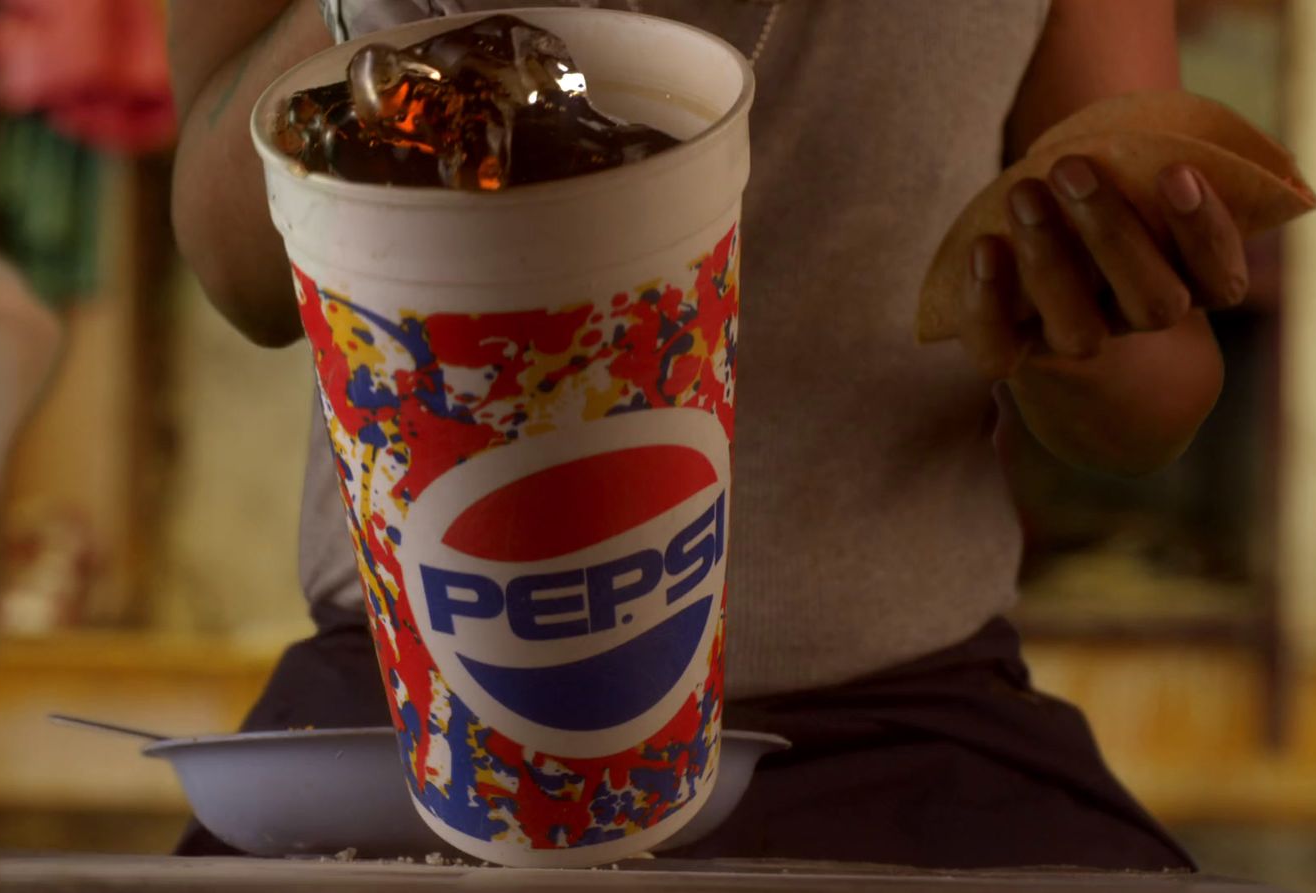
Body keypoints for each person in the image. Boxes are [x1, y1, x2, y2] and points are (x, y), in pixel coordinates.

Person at [167, 0, 1244, 869]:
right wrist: (388, 21)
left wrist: (1077, 312)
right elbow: (236, 271)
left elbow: (1154, 399)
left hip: (899, 725)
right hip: (424, 714)